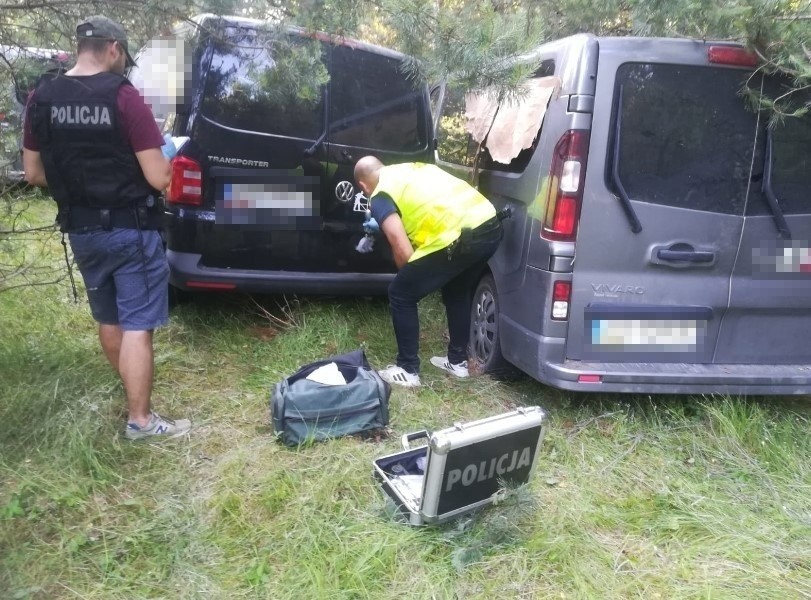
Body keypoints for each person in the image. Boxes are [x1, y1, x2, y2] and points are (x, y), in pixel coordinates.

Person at [23, 15, 191, 440]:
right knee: (137, 323)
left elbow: (33, 174)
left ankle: (133, 396)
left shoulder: (41, 98)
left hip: (81, 231)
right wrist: (168, 154)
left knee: (110, 316)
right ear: (114, 48)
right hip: (129, 229)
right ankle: (141, 420)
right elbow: (158, 178)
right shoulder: (124, 96)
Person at [354, 156, 503, 387]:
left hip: (460, 235)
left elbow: (400, 246)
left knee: (400, 293)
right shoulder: (406, 169)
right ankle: (457, 362)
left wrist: (409, 280)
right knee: (457, 290)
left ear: (363, 186)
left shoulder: (380, 194)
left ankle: (408, 369)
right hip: (489, 225)